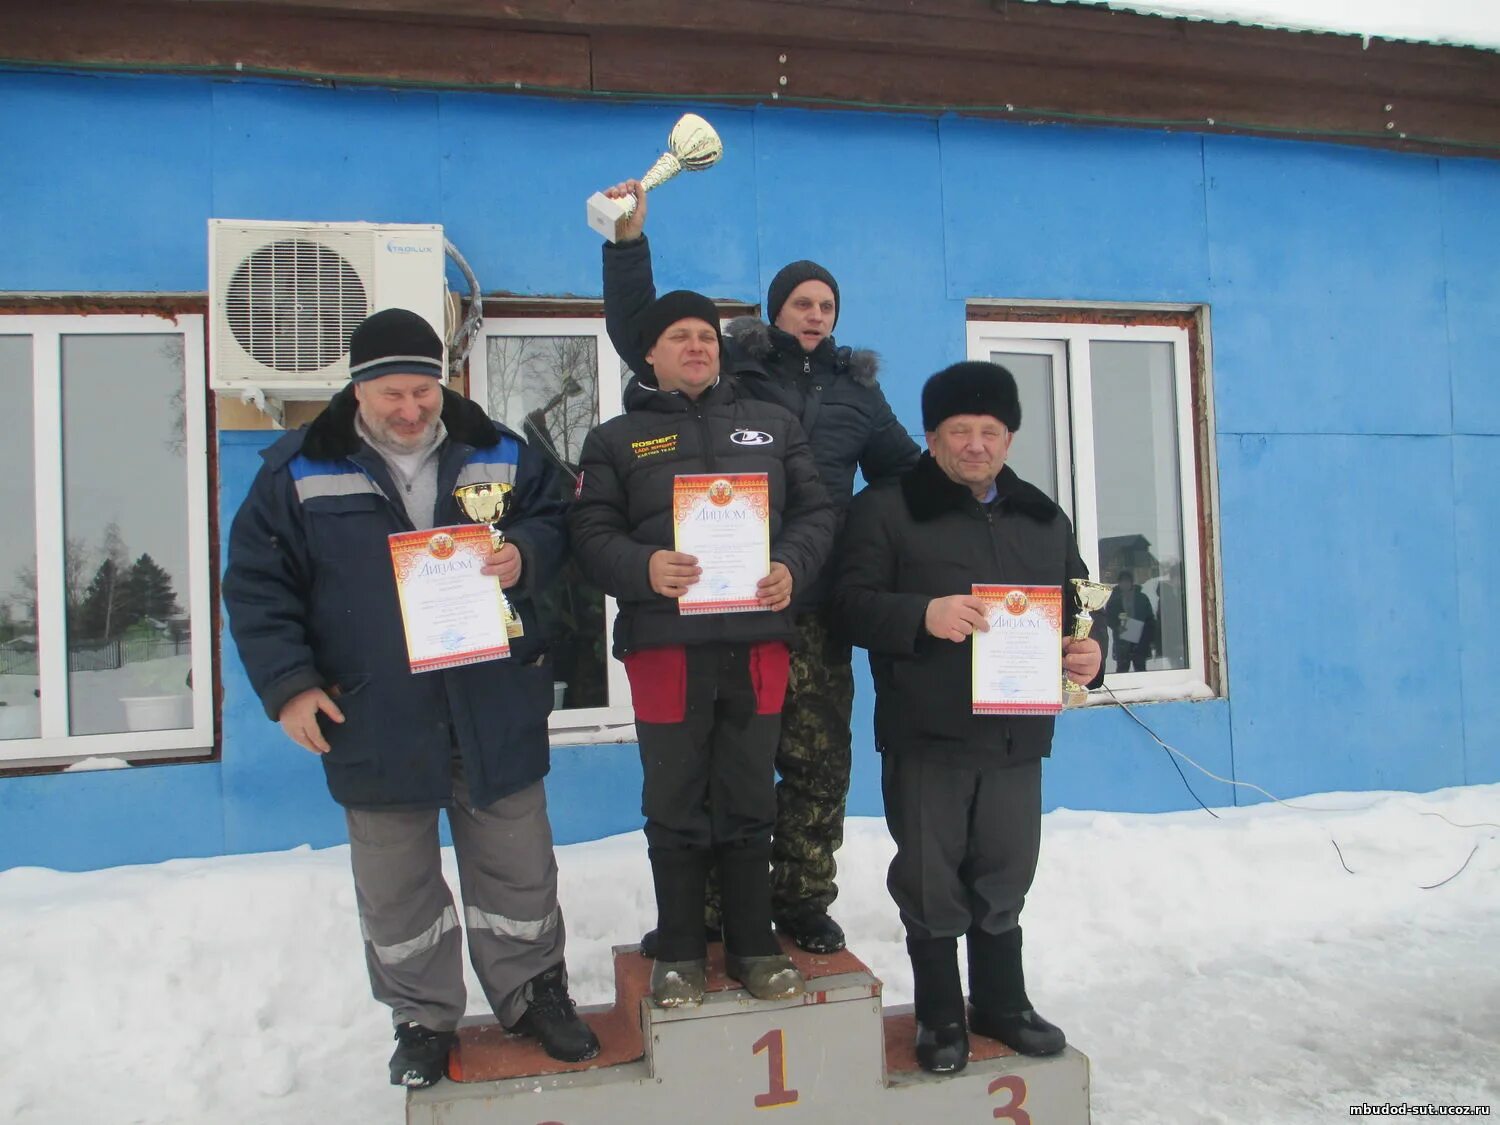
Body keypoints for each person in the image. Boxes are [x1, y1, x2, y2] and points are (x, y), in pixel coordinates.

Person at [222, 308, 598, 1090]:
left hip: (491, 700)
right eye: (392, 392)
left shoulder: (500, 449)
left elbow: (558, 520)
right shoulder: (298, 468)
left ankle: (533, 994)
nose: (410, 409)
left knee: (519, 870)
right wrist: (290, 686)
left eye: (423, 390)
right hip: (374, 711)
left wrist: (524, 551)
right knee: (398, 887)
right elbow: (259, 585)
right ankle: (423, 1017)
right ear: (357, 387)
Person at [600, 179, 920, 955]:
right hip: (724, 608)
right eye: (801, 301)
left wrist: (986, 490)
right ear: (775, 310)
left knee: (816, 761)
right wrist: (626, 247)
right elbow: (643, 330)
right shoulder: (737, 373)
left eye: (826, 305)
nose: (815, 314)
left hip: (816, 603)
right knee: (724, 765)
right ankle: (712, 909)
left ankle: (803, 899)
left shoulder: (859, 391)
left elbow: (906, 473)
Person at [833, 361, 1103, 1074]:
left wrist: (1086, 651)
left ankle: (1003, 1004)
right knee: (931, 878)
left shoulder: (1042, 515)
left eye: (991, 430)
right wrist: (924, 613)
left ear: (1009, 437)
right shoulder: (887, 509)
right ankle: (942, 1014)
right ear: (931, 435)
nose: (977, 444)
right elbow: (847, 604)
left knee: (1006, 873)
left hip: (1017, 733)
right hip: (929, 733)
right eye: (961, 430)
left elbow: (1077, 604)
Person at [569, 289, 836, 1007]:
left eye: (707, 337)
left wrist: (792, 565)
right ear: (650, 353)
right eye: (680, 336)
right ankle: (682, 949)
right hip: (665, 647)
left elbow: (816, 511)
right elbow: (589, 536)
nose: (697, 347)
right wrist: (643, 568)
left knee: (751, 799)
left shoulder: (773, 426)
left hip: (757, 642)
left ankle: (754, 945)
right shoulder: (615, 439)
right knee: (676, 799)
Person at [1105, 570, 1157, 673]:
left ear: (1132, 582)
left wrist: (1151, 638)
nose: (1125, 584)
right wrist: (1117, 626)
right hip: (1122, 640)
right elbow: (1108, 617)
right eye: (1122, 581)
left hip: (1140, 639)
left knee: (1140, 668)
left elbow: (1149, 619)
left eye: (1127, 581)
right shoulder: (1114, 599)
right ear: (1119, 583)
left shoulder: (1142, 598)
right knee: (1122, 670)